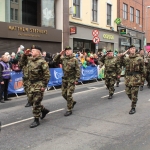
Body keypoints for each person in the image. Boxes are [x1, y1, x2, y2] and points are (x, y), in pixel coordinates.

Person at [19, 45, 50, 128]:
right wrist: (24, 55)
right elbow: (20, 64)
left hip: (38, 84)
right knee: (32, 101)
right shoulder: (29, 60)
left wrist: (44, 85)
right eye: (31, 50)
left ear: (38, 52)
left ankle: (36, 120)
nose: (31, 51)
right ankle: (44, 110)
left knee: (36, 102)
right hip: (30, 84)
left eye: (33, 50)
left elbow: (47, 75)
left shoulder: (42, 62)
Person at [53, 46, 80, 116]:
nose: (67, 51)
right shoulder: (63, 59)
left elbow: (78, 70)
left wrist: (77, 79)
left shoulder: (74, 59)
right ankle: (72, 102)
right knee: (63, 94)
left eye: (68, 50)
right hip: (65, 79)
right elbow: (54, 61)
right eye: (66, 50)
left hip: (71, 79)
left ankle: (69, 109)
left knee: (68, 94)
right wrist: (59, 54)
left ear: (71, 51)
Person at [121, 45, 146, 114]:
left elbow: (143, 70)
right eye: (131, 49)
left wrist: (142, 80)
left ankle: (133, 107)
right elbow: (118, 60)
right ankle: (134, 100)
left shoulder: (139, 58)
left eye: (134, 48)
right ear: (129, 50)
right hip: (128, 78)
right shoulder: (126, 59)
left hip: (136, 79)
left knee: (134, 93)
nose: (133, 50)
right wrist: (124, 53)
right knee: (128, 92)